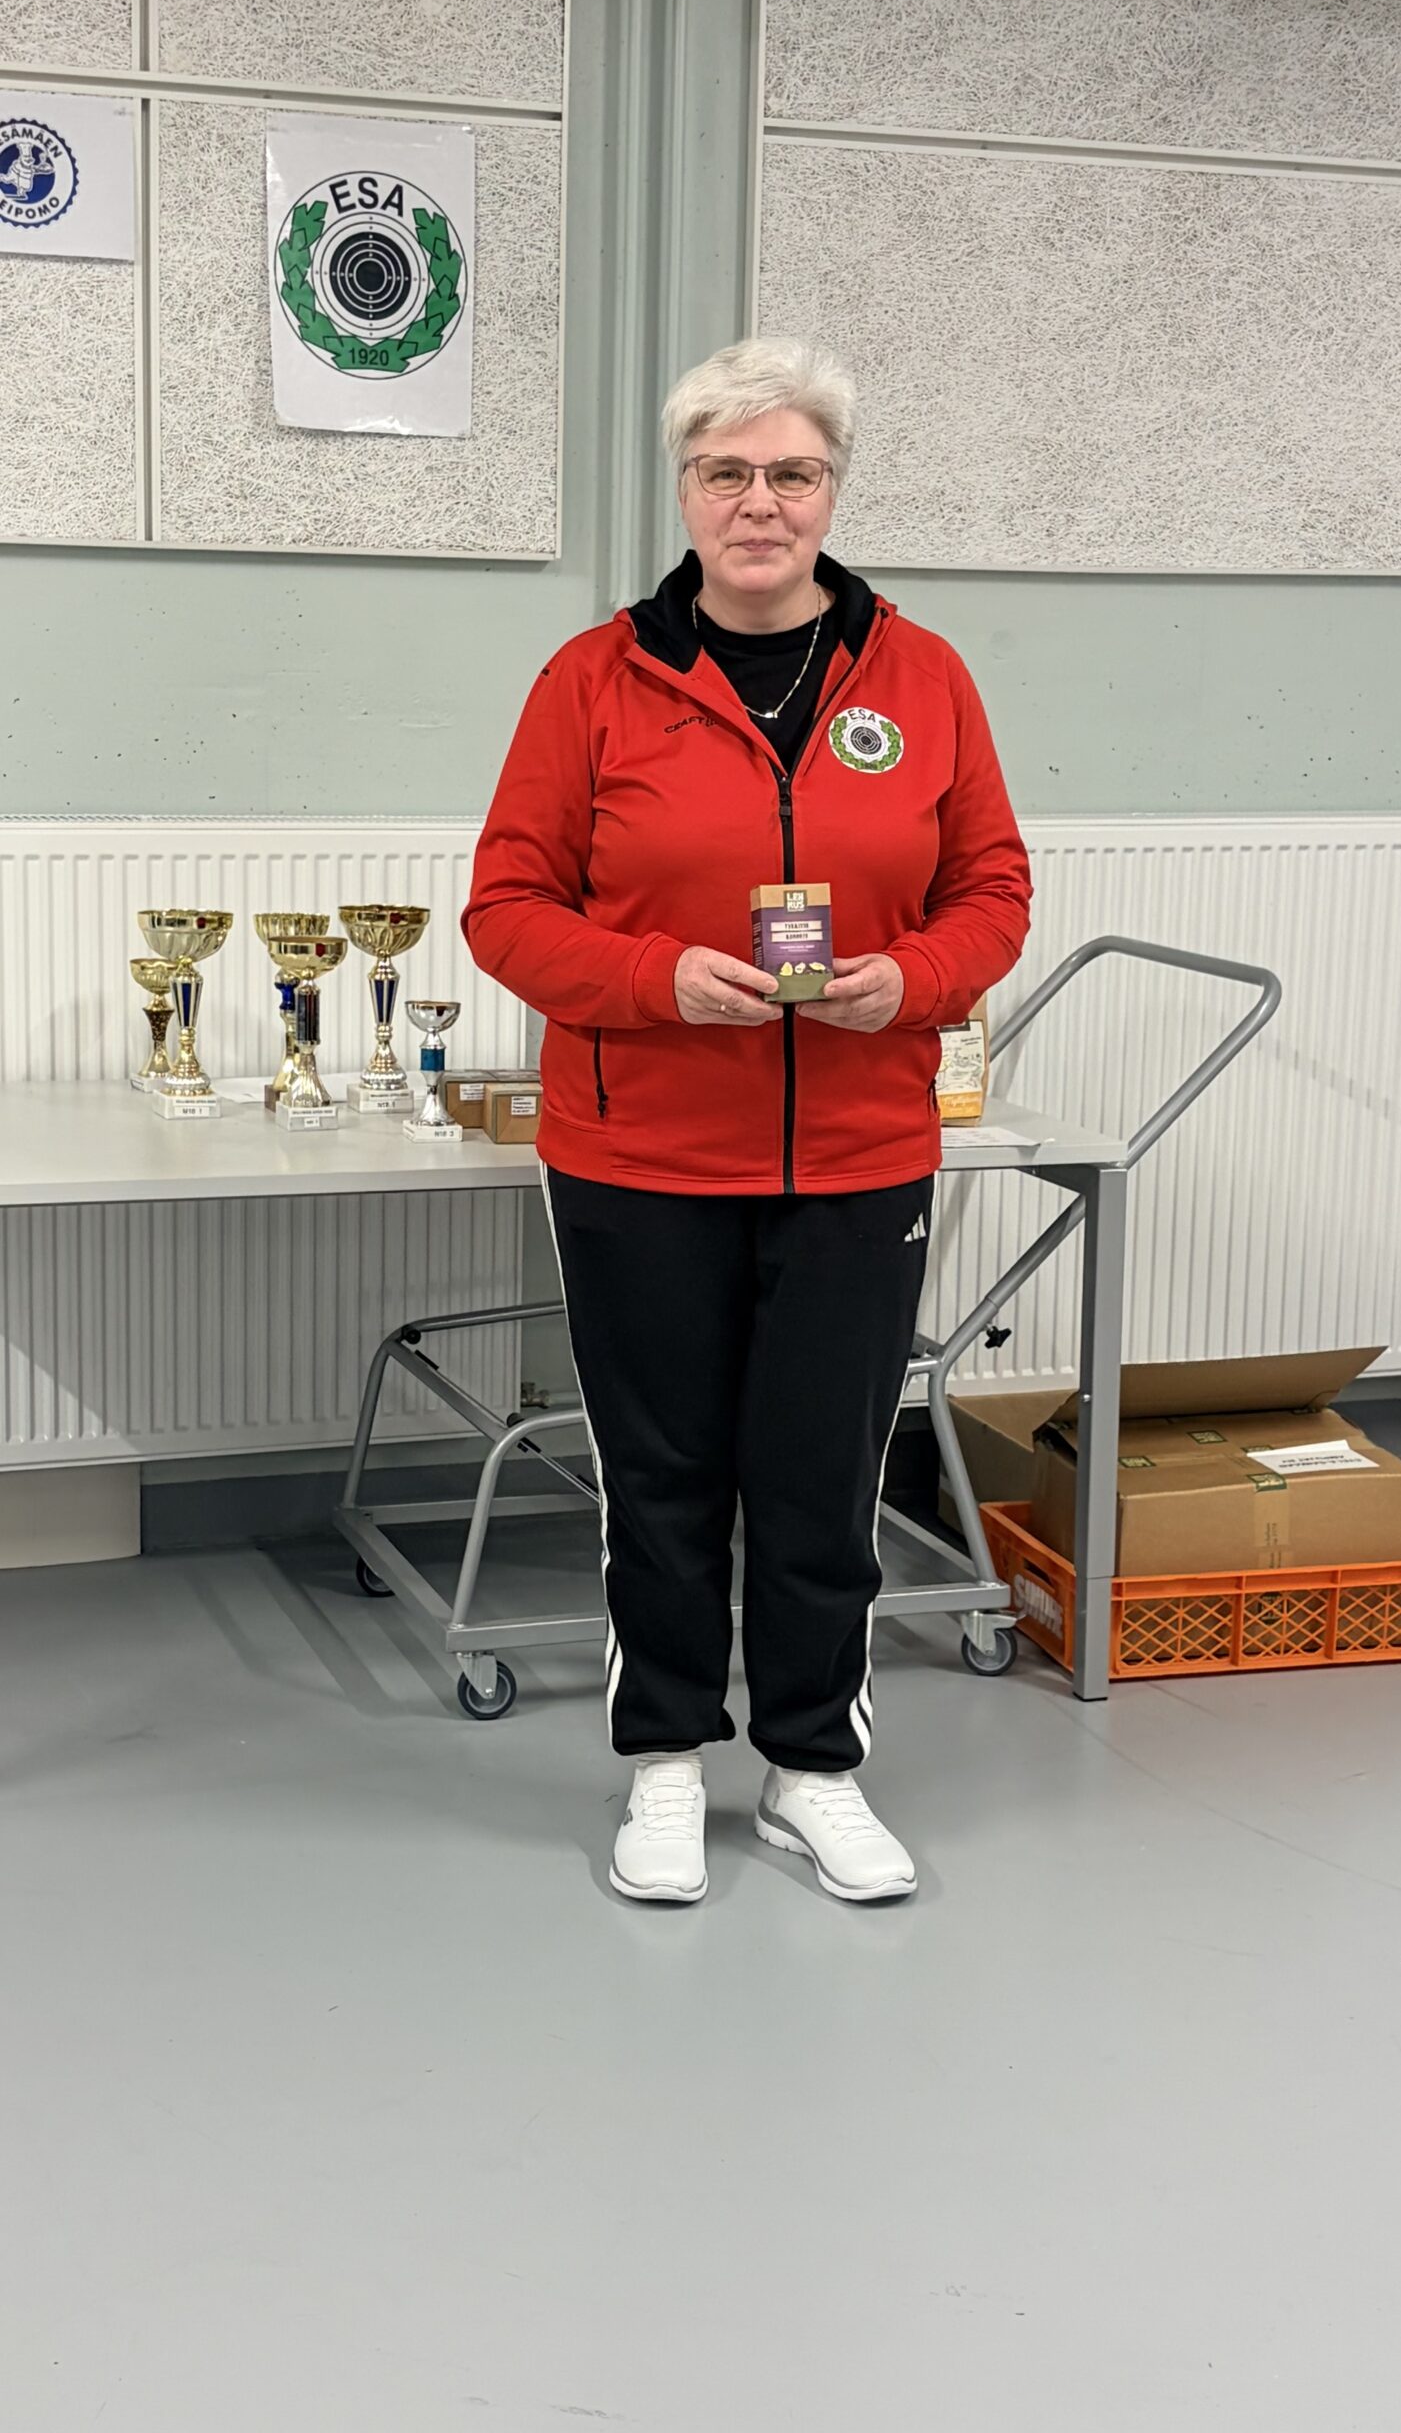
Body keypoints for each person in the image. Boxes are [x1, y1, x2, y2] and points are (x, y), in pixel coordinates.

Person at [462, 338, 1031, 1906]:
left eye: (793, 472)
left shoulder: (923, 678)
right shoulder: (592, 682)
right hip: (639, 1154)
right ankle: (662, 1761)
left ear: (833, 489)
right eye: (728, 472)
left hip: (857, 1152)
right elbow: (507, 909)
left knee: (821, 1474)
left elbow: (993, 889)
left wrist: (911, 980)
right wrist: (656, 979)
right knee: (659, 1475)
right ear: (686, 490)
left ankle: (811, 1771)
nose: (760, 502)